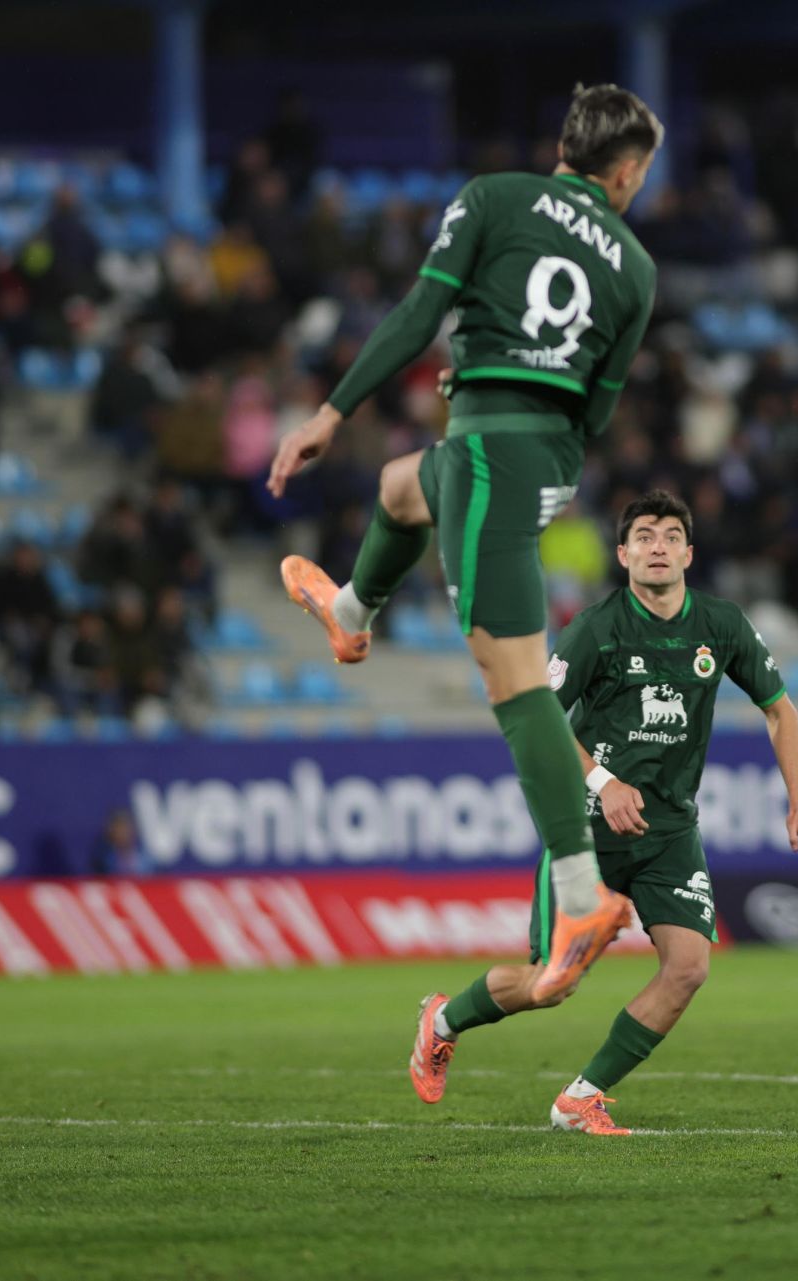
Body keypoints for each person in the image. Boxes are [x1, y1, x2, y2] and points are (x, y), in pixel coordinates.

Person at [267, 85, 662, 1005]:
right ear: (629, 172)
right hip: (545, 459)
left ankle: (576, 896)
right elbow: (600, 408)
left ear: (565, 144)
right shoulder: (637, 268)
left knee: (515, 683)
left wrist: (332, 411)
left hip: (489, 448)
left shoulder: (493, 197)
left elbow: (416, 317)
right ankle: (351, 612)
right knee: (402, 488)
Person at [409, 490, 798, 1134]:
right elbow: (540, 715)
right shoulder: (596, 627)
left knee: (688, 967)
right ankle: (442, 1019)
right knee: (551, 984)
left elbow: (781, 710)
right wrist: (604, 780)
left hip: (670, 832)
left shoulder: (720, 624)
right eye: (643, 535)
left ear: (688, 553)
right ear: (623, 553)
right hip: (587, 831)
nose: (656, 545)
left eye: (669, 536)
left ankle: (581, 1097)